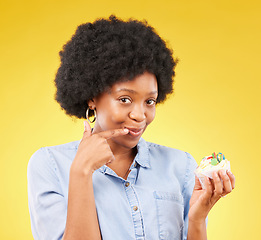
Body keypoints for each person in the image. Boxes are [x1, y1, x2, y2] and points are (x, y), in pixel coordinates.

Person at [27, 15, 235, 240]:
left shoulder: (181, 166)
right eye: (125, 99)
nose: (140, 115)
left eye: (150, 102)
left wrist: (197, 219)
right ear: (91, 97)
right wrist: (81, 172)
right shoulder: (50, 165)